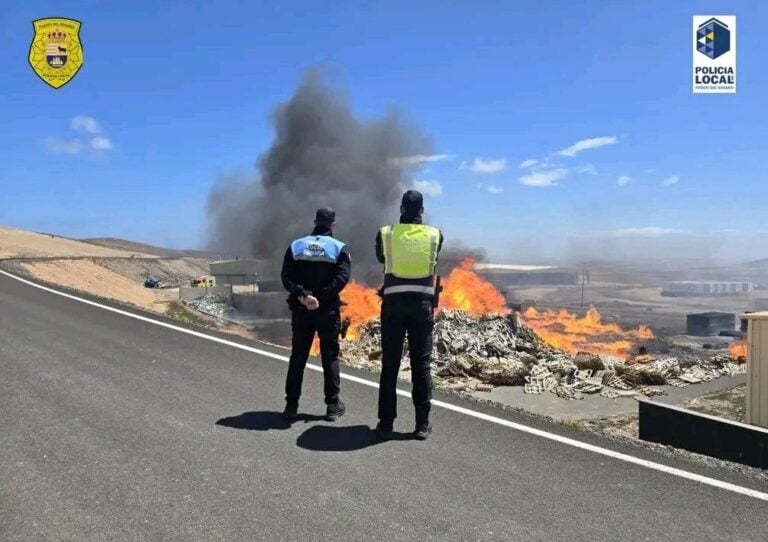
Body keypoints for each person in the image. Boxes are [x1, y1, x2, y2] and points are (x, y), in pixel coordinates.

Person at [374, 190, 443, 440]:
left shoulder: (387, 233)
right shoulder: (435, 235)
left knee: (390, 365)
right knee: (421, 366)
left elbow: (382, 258)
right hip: (421, 307)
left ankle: (385, 423)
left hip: (393, 306)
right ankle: (422, 424)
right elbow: (434, 259)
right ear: (422, 211)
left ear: (401, 209)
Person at [281, 207, 351, 421]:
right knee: (329, 356)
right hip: (327, 310)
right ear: (333, 224)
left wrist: (304, 296)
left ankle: (291, 406)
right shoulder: (339, 248)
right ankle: (332, 406)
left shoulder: (296, 246)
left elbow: (286, 277)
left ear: (315, 221)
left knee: (299, 355)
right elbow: (342, 277)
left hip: (302, 309)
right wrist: (322, 296)